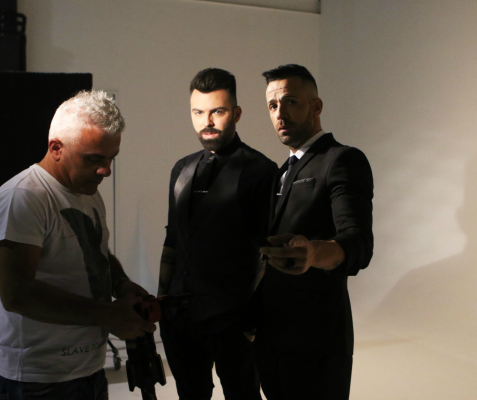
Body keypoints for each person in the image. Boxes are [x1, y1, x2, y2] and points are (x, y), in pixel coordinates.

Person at [0, 90, 156, 400]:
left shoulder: (87, 192)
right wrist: (108, 316)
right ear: (56, 148)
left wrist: (120, 283)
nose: (106, 170)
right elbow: (17, 293)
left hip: (88, 371)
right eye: (94, 159)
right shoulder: (22, 198)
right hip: (36, 381)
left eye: (111, 158)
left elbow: (95, 250)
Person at [254, 64, 374, 399]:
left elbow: (358, 242)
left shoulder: (342, 160)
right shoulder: (279, 173)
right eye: (273, 106)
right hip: (271, 339)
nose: (280, 113)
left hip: (317, 344)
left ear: (316, 106)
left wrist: (313, 253)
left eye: (290, 102)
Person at [158, 68, 277, 400]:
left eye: (217, 112)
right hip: (180, 318)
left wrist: (252, 322)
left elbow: (270, 253)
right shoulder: (182, 169)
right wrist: (161, 303)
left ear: (236, 113)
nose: (206, 121)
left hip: (234, 322)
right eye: (198, 112)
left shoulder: (261, 171)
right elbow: (172, 239)